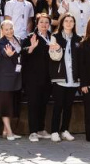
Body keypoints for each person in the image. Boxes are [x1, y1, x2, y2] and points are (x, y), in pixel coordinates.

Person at [48, 14, 81, 142]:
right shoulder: (55, 37)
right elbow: (54, 57)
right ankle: (54, 131)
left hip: (73, 79)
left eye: (71, 21)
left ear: (74, 23)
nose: (68, 23)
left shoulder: (78, 39)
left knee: (68, 106)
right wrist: (57, 49)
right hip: (60, 78)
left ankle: (65, 130)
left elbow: (81, 60)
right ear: (62, 23)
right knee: (58, 105)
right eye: (66, 21)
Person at [22, 13, 54, 141]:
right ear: (37, 23)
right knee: (33, 104)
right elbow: (22, 53)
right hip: (33, 78)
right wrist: (31, 47)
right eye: (41, 22)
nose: (44, 25)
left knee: (43, 103)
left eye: (46, 22)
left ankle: (41, 129)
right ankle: (33, 131)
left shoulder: (53, 37)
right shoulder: (31, 37)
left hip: (48, 77)